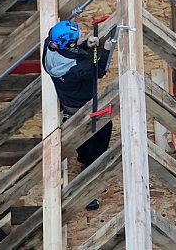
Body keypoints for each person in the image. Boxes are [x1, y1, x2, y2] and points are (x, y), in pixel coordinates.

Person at [42, 20, 113, 210]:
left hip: (69, 104)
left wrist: (84, 44)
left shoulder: (50, 44)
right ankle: (88, 175)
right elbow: (98, 70)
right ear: (70, 45)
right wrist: (104, 49)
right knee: (100, 133)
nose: (82, 36)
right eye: (78, 37)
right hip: (84, 107)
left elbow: (72, 50)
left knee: (83, 140)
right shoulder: (75, 68)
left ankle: (83, 158)